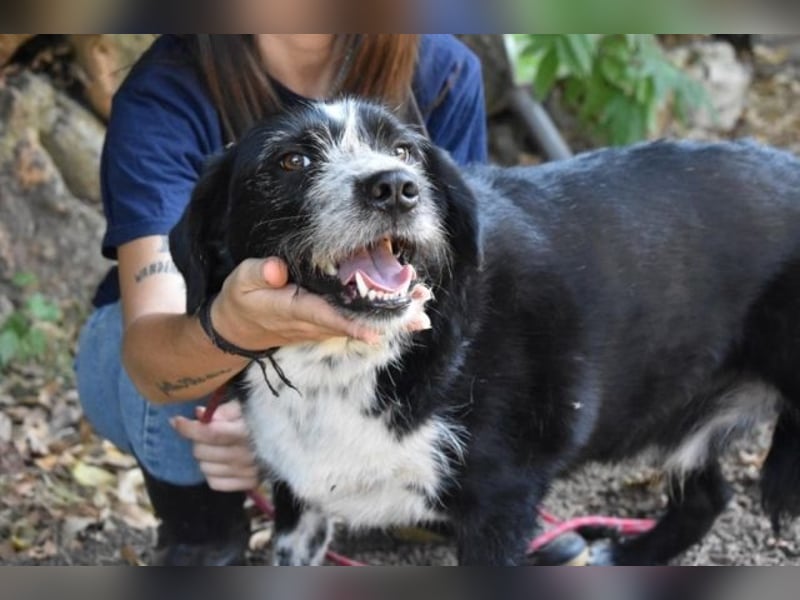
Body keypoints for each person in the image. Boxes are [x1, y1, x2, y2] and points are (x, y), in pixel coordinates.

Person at [75, 34, 488, 566]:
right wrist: (255, 409)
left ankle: (405, 489)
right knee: (132, 359)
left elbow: (464, 278)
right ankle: (203, 533)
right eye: (294, 161)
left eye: (401, 153)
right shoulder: (165, 94)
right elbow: (154, 351)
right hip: (216, 362)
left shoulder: (442, 70)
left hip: (386, 369)